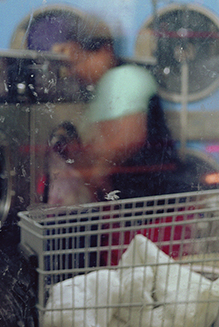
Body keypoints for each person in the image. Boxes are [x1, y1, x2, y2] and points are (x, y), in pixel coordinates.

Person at [54, 15, 191, 202]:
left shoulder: (124, 77)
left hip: (157, 206)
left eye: (79, 59)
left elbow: (128, 137)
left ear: (105, 51)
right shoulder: (104, 89)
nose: (74, 70)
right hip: (138, 207)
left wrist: (93, 167)